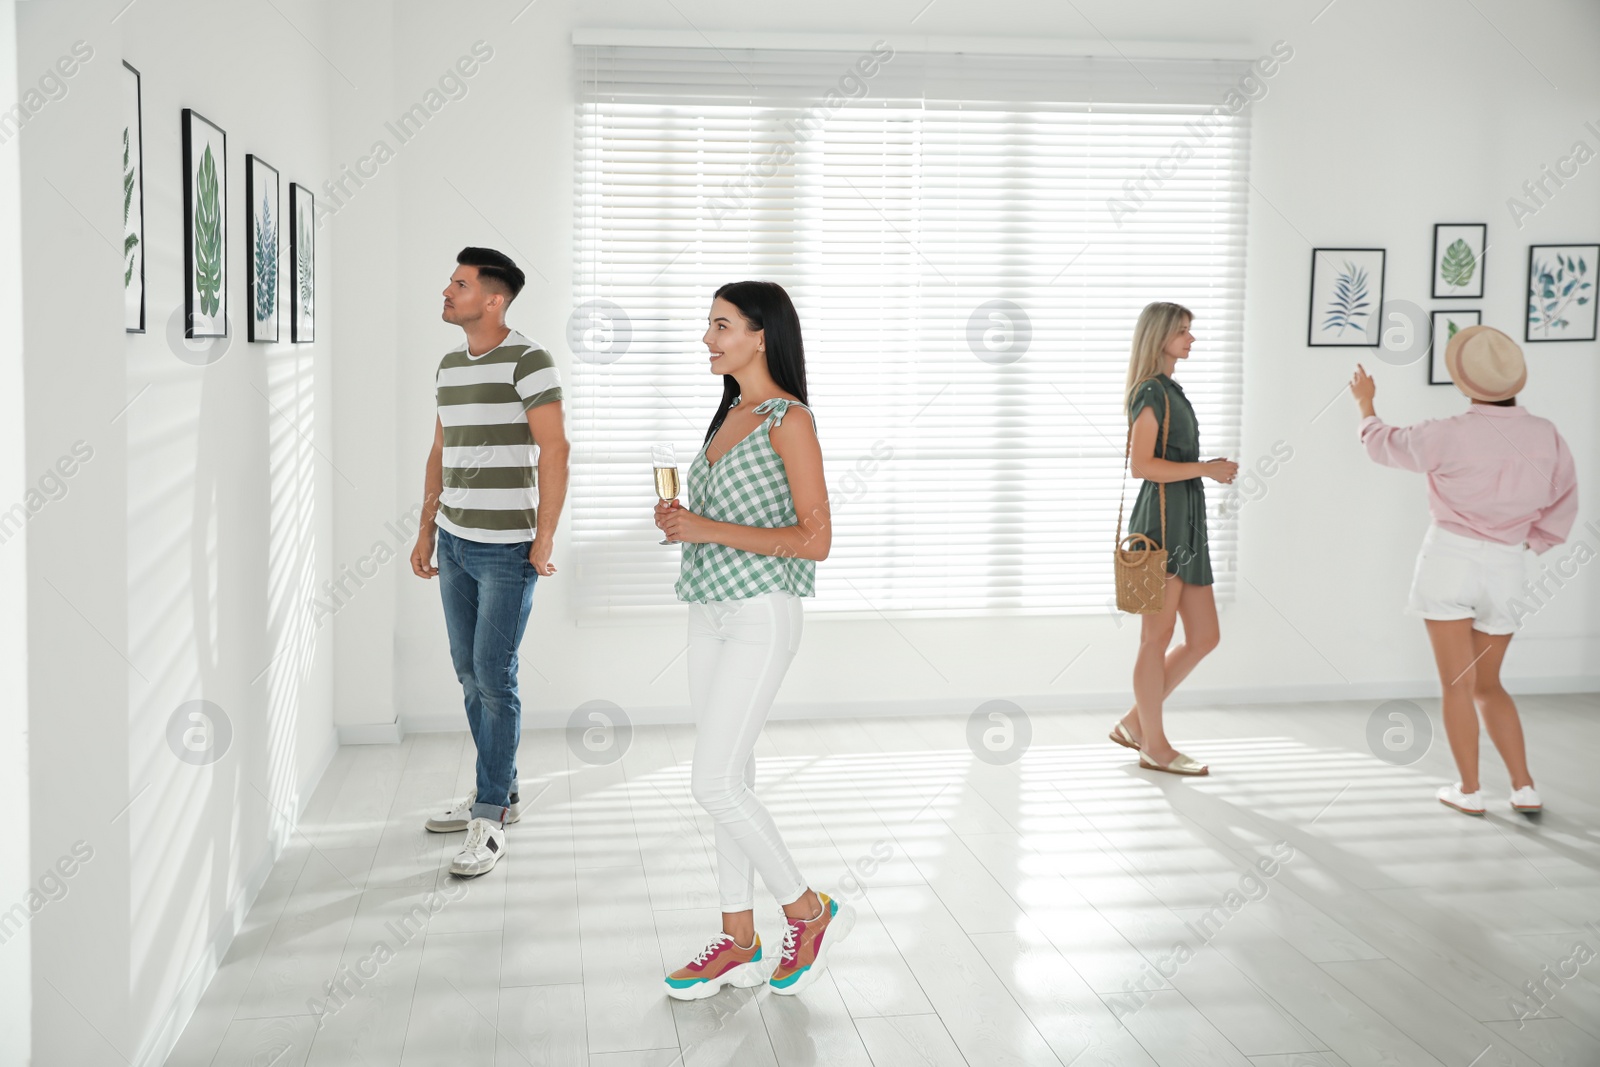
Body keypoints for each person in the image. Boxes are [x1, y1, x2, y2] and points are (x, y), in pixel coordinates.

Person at [653, 280, 854, 999]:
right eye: (709, 325)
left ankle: (807, 908)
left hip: (761, 614)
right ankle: (739, 939)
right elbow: (729, 516)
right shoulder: (730, 412)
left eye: (722, 326)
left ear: (761, 334)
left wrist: (704, 528)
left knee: (712, 780)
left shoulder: (788, 419)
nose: (708, 339)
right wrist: (683, 517)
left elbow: (817, 539)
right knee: (729, 779)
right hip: (708, 609)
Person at [1351, 325, 1576, 816]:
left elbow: (1383, 444)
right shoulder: (1547, 435)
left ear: (1466, 383)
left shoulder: (1448, 432)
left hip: (1449, 559)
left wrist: (1366, 405)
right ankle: (1524, 789)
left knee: (1456, 685)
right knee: (1489, 684)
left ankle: (1469, 791)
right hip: (1508, 568)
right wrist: (1527, 541)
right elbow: (1563, 503)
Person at [409, 247, 569, 875]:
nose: (447, 293)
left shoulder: (529, 361)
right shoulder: (450, 364)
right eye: (451, 282)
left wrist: (545, 537)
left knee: (494, 677)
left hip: (507, 550)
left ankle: (489, 816)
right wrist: (425, 529)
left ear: (494, 300)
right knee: (468, 672)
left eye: (460, 284)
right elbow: (439, 450)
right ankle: (498, 790)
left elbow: (555, 450)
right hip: (453, 541)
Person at [1110, 302, 1237, 775]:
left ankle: (1133, 722)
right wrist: (1204, 469)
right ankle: (1154, 746)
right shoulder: (1150, 392)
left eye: (1191, 331)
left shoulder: (1170, 390)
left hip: (1187, 518)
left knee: (1204, 636)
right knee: (1156, 637)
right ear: (1158, 335)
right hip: (1162, 523)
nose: (1191, 338)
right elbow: (1142, 466)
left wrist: (1204, 471)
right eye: (1182, 331)